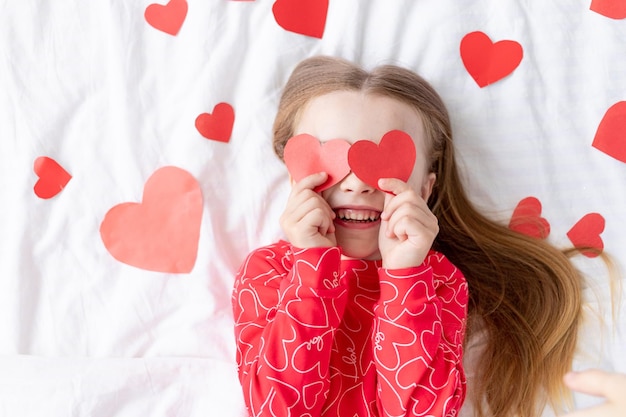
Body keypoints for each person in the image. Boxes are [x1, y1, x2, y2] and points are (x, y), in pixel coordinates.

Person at [231, 55, 622, 417]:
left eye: (384, 162)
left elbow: (421, 411)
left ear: (424, 190)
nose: (357, 185)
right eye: (330, 159)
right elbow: (276, 407)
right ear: (295, 176)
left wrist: (404, 277)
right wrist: (311, 269)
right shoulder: (269, 272)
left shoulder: (437, 280)